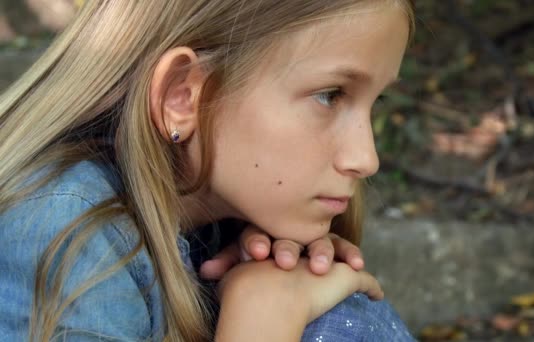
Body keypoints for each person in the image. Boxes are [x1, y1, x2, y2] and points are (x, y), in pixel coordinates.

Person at [0, 0, 416, 341]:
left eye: (374, 101)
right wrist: (261, 323)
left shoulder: (234, 223)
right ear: (182, 96)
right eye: (329, 95)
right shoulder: (61, 230)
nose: (366, 159)